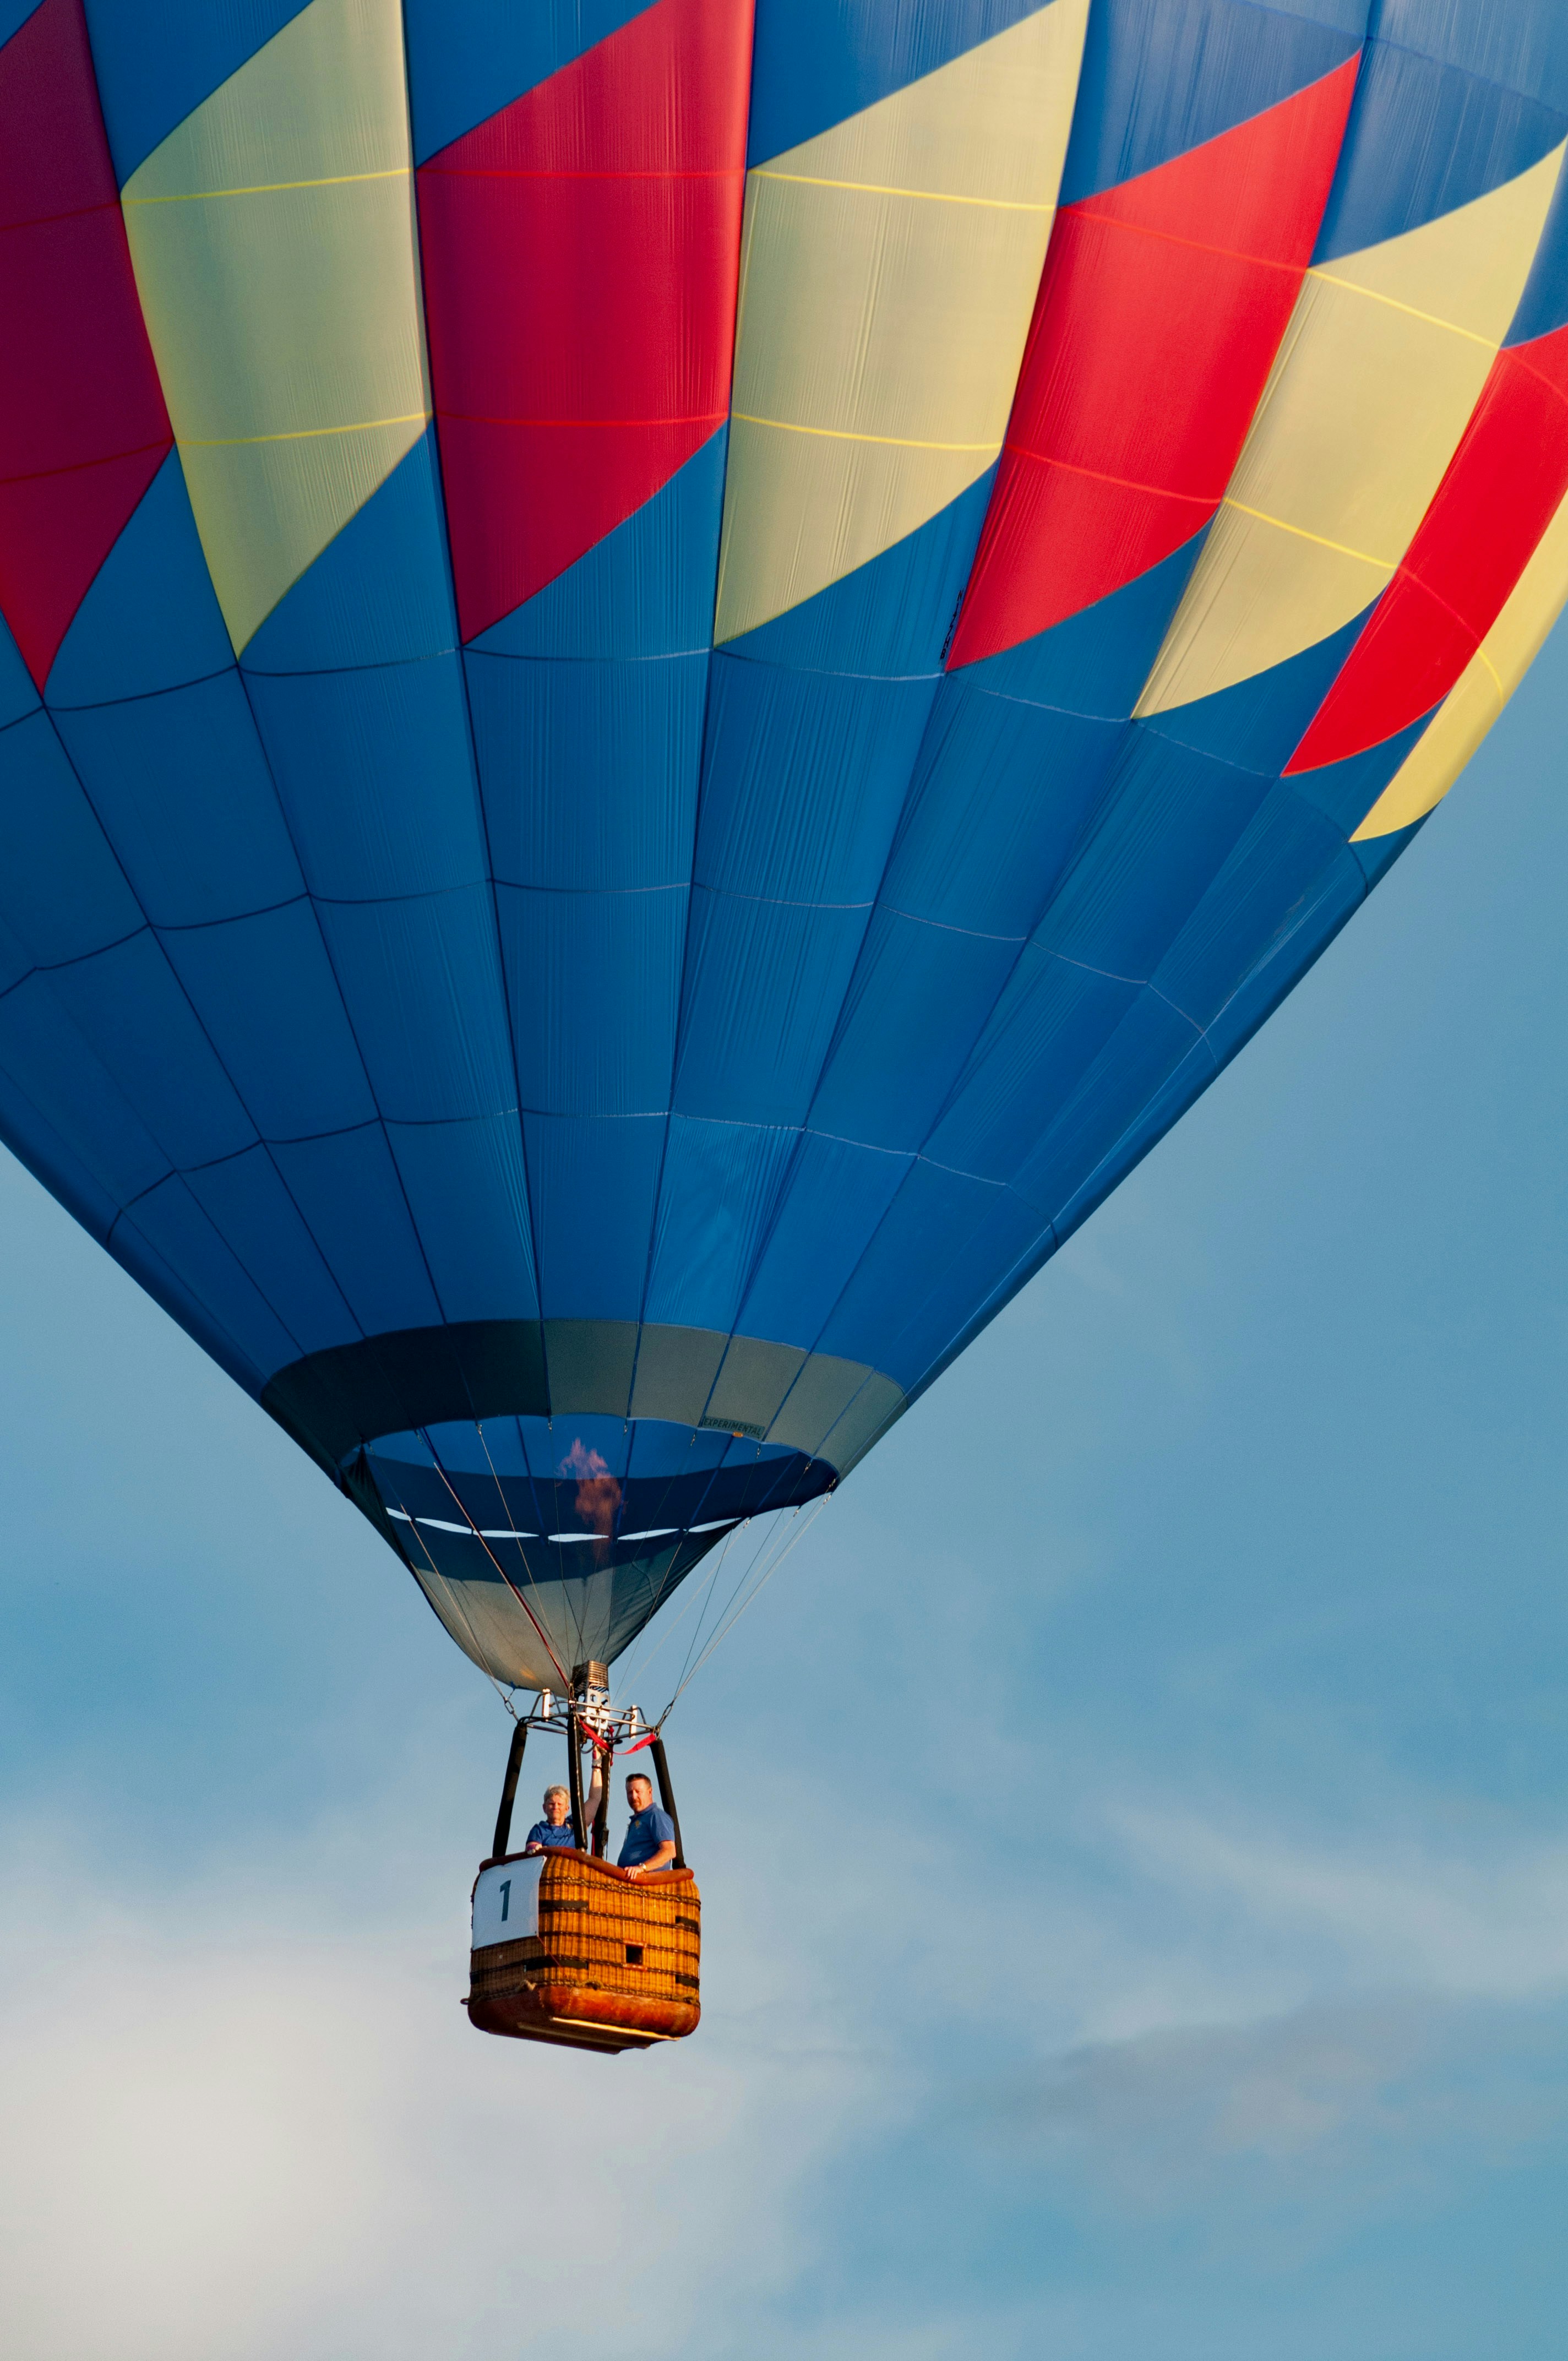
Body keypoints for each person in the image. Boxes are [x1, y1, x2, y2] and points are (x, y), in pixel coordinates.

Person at [617, 1770, 677, 1876]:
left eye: (638, 1791)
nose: (634, 1796)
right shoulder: (639, 1820)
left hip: (646, 1885)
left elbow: (669, 1851)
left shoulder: (656, 1816)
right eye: (630, 1793)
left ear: (650, 1792)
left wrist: (642, 1868)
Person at [521, 1786, 576, 1852]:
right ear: (544, 1808)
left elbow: (592, 1799)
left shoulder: (575, 1823)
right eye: (552, 1804)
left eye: (560, 1804)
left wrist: (592, 1775)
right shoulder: (539, 1830)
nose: (556, 1807)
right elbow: (531, 1848)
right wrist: (535, 1848)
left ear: (567, 1809)